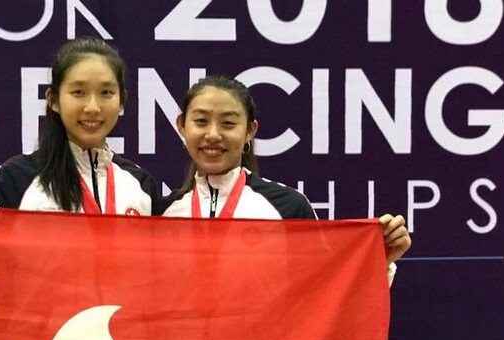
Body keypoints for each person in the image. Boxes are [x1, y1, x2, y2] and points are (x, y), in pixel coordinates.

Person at [159, 75, 411, 281]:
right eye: (201, 121)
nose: (213, 134)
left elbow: (325, 289)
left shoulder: (288, 206)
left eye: (228, 124)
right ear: (182, 125)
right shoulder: (162, 213)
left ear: (249, 131)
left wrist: (379, 262)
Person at [0, 37, 160, 215]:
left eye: (106, 92)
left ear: (122, 100)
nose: (93, 107)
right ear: (53, 99)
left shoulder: (140, 184)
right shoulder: (17, 177)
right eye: (78, 92)